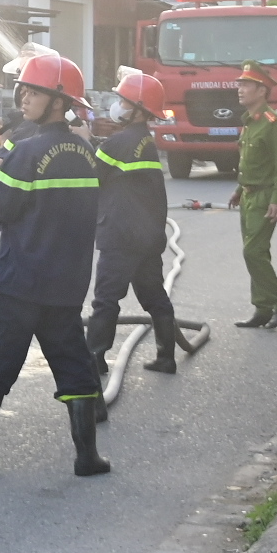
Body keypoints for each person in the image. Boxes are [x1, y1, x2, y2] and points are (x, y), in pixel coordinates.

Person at [0, 51, 110, 478]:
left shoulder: (28, 151)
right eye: (23, 90)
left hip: (18, 282)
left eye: (33, 92)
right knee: (74, 368)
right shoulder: (88, 152)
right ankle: (87, 456)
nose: (23, 98)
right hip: (66, 284)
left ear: (58, 100)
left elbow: (0, 207)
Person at [85, 71, 182, 375]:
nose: (117, 105)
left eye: (122, 101)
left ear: (137, 109)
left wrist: (84, 141)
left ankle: (94, 359)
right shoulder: (142, 141)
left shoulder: (118, 143)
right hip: (147, 237)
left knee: (106, 300)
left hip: (121, 236)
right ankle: (167, 357)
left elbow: (91, 176)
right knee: (154, 296)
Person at [227, 61, 277, 328]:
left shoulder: (272, 122)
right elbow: (250, 163)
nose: (240, 89)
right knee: (257, 253)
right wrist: (238, 190)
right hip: (248, 196)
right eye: (240, 84)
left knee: (252, 253)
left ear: (262, 90)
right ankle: (262, 307)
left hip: (265, 199)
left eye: (246, 85)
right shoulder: (249, 122)